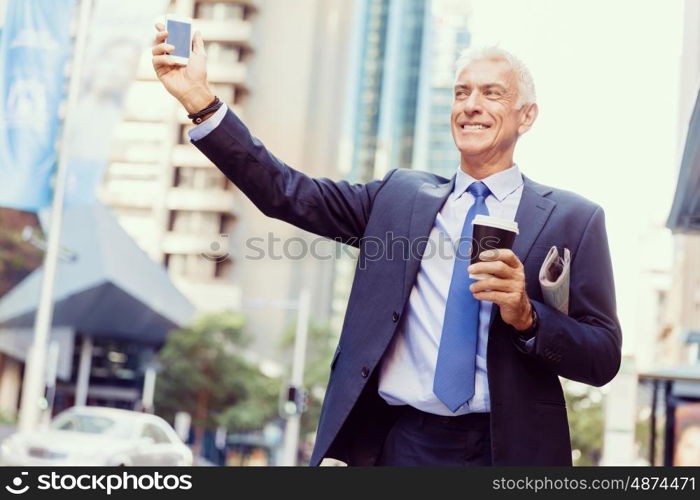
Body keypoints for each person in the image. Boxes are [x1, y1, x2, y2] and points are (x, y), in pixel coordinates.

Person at [152, 24, 622, 466]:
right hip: (401, 443)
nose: (471, 105)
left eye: (491, 93)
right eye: (462, 93)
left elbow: (602, 356)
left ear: (527, 115)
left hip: (507, 449)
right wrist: (200, 99)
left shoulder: (574, 220)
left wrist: (527, 316)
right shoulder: (399, 198)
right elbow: (284, 192)